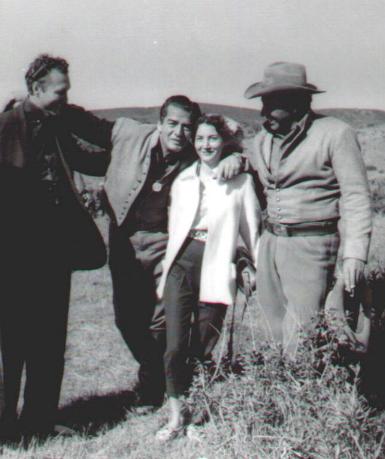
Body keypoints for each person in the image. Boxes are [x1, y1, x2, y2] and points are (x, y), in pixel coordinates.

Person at [104, 97, 244, 410]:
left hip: (165, 241)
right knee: (126, 318)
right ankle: (158, 370)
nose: (179, 132)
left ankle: (158, 384)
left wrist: (237, 157)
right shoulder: (133, 138)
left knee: (160, 319)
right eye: (173, 124)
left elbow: (223, 144)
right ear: (160, 123)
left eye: (186, 126)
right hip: (125, 240)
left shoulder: (194, 153)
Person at [0, 54, 112, 440]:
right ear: (36, 89)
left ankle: (39, 422)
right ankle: (4, 428)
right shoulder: (4, 127)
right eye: (60, 92)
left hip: (54, 254)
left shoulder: (59, 122)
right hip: (12, 257)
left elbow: (93, 160)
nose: (66, 98)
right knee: (11, 345)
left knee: (49, 340)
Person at [244, 61, 372, 357]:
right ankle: (280, 395)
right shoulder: (262, 140)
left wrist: (355, 254)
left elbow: (356, 195)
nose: (263, 112)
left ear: (296, 102)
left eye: (271, 103)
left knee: (303, 334)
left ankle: (312, 395)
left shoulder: (335, 133)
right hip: (271, 244)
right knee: (273, 329)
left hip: (312, 246)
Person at [155, 114, 261, 441]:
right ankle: (176, 415)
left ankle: (197, 412)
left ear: (224, 141)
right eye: (199, 139)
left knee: (201, 344)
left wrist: (252, 266)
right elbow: (174, 230)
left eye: (212, 138)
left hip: (217, 265)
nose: (205, 145)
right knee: (174, 345)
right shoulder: (184, 179)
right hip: (181, 264)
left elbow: (251, 230)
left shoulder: (240, 182)